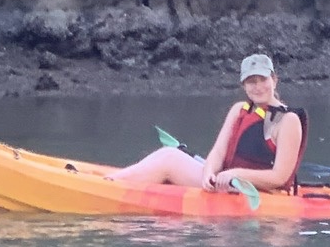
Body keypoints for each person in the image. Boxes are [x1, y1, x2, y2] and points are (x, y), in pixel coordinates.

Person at [111, 53, 305, 194]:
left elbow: (279, 177)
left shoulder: (288, 120)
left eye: (262, 79)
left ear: (274, 80)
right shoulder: (239, 109)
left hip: (256, 191)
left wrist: (236, 174)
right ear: (243, 85)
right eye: (251, 81)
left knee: (168, 158)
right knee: (169, 154)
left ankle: (110, 185)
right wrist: (209, 172)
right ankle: (112, 181)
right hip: (224, 182)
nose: (258, 87)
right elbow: (219, 152)